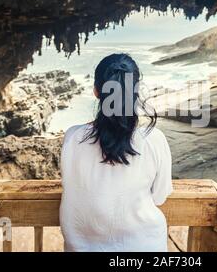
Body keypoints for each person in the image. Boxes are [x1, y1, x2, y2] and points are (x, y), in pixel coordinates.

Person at [59, 53, 173, 252]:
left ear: (96, 91)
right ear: (136, 91)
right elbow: (160, 197)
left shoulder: (72, 138)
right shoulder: (154, 140)